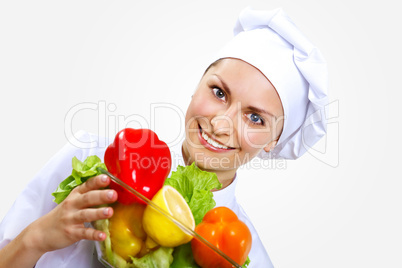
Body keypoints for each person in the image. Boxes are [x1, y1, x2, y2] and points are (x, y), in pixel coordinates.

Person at [0, 7, 328, 268]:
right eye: (219, 92)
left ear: (273, 140)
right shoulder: (96, 159)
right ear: (197, 83)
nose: (221, 124)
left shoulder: (243, 257)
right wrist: (37, 237)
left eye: (255, 118)